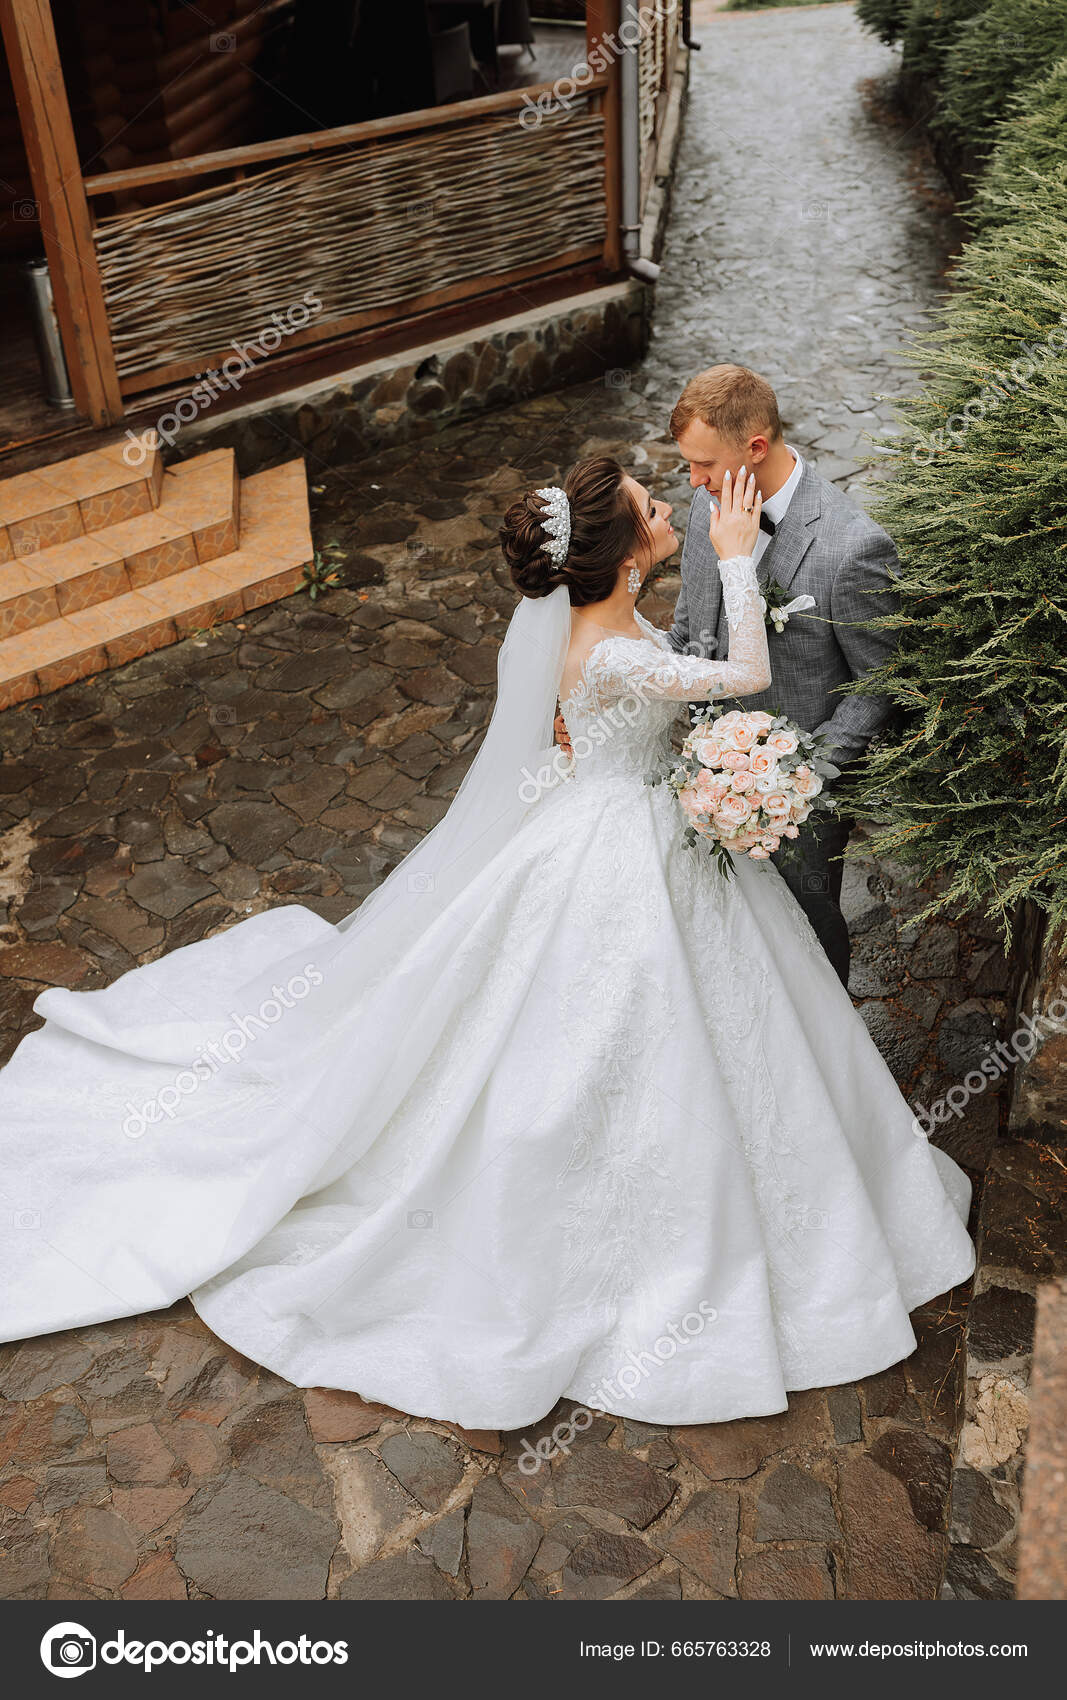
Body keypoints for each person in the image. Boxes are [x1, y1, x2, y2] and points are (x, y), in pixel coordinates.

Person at [0, 457, 973, 1432]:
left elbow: (585, 723)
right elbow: (747, 675)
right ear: (621, 556)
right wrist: (731, 558)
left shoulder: (605, 629)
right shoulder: (612, 651)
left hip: (620, 816)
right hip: (621, 844)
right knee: (619, 1027)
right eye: (651, 507)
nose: (667, 508)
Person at [667, 363, 902, 986]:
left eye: (704, 464)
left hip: (799, 798)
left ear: (755, 447)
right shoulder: (705, 505)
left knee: (809, 930)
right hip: (704, 776)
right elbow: (689, 628)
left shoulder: (851, 547)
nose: (693, 481)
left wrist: (804, 777)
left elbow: (880, 682)